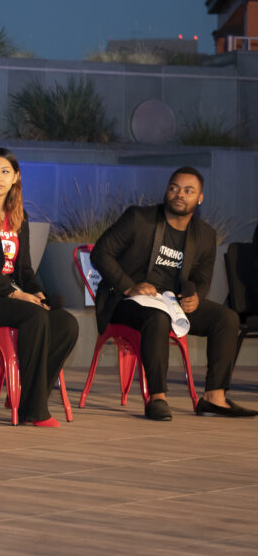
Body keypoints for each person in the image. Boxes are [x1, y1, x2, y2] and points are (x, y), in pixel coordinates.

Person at [91, 167, 257, 420]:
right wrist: (129, 285)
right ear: (167, 191)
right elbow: (101, 253)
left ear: (200, 198)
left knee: (226, 318)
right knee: (157, 318)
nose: (180, 194)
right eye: (174, 188)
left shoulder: (205, 235)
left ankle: (214, 397)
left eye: (189, 191)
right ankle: (157, 398)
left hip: (171, 302)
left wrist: (195, 297)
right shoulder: (139, 218)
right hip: (126, 300)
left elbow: (202, 277)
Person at [0, 147, 79, 427]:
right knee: (34, 316)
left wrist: (36, 292)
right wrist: (15, 294)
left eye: (4, 172)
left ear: (16, 177)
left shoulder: (18, 217)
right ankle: (35, 409)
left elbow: (23, 269)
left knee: (67, 324)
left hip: (11, 297)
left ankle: (27, 399)